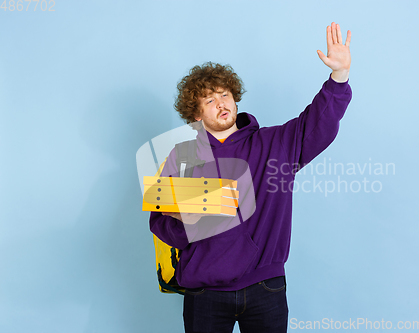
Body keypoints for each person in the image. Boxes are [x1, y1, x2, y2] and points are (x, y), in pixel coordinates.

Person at [149, 22, 352, 333]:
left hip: (265, 287)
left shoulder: (275, 144)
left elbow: (318, 124)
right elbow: (160, 223)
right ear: (195, 114)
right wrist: (190, 217)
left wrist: (338, 77)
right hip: (204, 293)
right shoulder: (181, 157)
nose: (220, 103)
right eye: (209, 100)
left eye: (224, 94)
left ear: (235, 98)